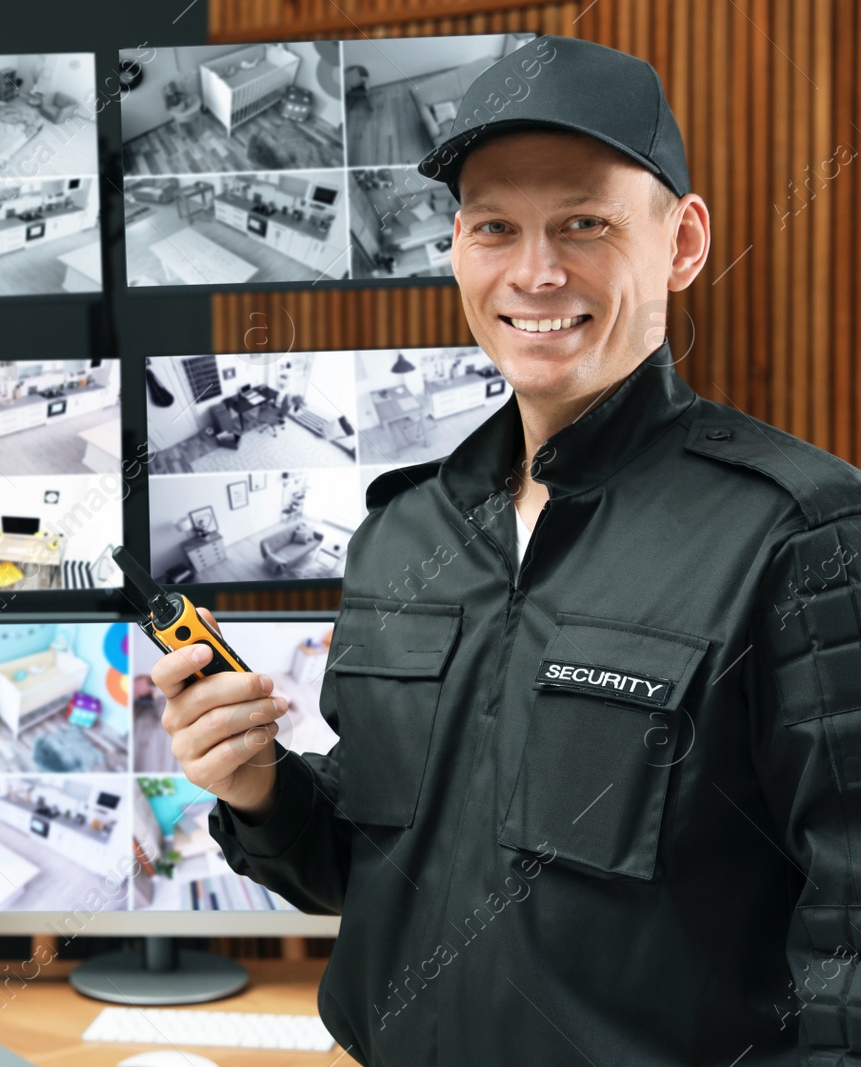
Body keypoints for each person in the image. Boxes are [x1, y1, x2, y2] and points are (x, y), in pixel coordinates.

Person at [149, 35, 861, 1066]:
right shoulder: (404, 533)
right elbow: (368, 870)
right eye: (495, 227)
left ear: (683, 243)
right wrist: (258, 785)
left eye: (584, 223)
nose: (535, 272)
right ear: (454, 249)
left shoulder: (801, 532)